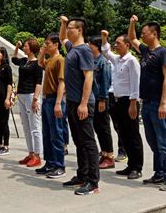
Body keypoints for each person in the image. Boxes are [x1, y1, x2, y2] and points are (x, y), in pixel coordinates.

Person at [128, 15, 166, 191]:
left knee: (164, 142)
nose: (142, 36)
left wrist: (163, 103)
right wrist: (132, 23)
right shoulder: (146, 52)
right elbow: (131, 38)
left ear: (154, 34)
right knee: (153, 141)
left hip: (158, 103)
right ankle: (159, 173)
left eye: (145, 33)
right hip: (147, 103)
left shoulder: (164, 53)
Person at [59, 16, 99, 195]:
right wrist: (62, 24)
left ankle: (93, 182)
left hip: (83, 103)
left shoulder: (84, 50)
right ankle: (82, 175)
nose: (68, 31)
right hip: (72, 102)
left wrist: (83, 103)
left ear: (80, 30)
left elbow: (88, 77)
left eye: (71, 28)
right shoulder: (72, 48)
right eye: (68, 28)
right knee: (79, 141)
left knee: (88, 143)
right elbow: (62, 38)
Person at [101, 30, 144, 179]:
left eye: (118, 43)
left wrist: (133, 103)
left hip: (129, 101)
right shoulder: (118, 60)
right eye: (115, 43)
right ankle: (130, 165)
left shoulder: (132, 61)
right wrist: (104, 38)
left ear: (127, 45)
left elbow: (135, 84)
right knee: (124, 134)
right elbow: (106, 52)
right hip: (118, 101)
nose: (116, 45)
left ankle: (137, 167)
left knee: (133, 135)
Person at [37, 33, 67, 178]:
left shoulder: (60, 60)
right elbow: (40, 63)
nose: (46, 46)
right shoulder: (50, 60)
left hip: (55, 99)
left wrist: (58, 103)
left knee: (56, 134)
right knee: (47, 133)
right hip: (46, 99)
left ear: (56, 45)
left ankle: (59, 165)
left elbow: (62, 82)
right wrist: (43, 52)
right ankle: (49, 163)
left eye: (48, 43)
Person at [12, 38, 44, 168]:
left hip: (31, 95)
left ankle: (37, 155)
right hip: (21, 94)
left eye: (25, 46)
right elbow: (14, 59)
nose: (24, 48)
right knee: (26, 126)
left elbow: (39, 82)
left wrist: (36, 99)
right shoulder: (24, 61)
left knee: (35, 126)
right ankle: (31, 153)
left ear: (31, 48)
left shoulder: (37, 64)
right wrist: (16, 47)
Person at [88, 36, 114, 170]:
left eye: (90, 44)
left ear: (96, 46)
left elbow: (105, 82)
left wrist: (103, 99)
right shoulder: (91, 60)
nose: (88, 46)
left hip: (101, 98)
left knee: (104, 127)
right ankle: (103, 153)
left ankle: (109, 156)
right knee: (98, 127)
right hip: (93, 98)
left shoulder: (103, 62)